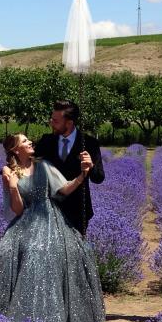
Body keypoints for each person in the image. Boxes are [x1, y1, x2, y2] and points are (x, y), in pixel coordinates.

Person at [0, 133, 106, 322]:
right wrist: (12, 187)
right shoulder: (9, 172)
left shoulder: (43, 166)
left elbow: (64, 190)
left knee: (42, 250)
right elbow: (18, 210)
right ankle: (12, 316)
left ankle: (48, 316)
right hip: (25, 220)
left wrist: (83, 175)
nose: (30, 142)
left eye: (28, 140)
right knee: (3, 252)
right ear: (15, 149)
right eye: (24, 141)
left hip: (50, 218)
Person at [34, 100, 105, 236]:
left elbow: (99, 178)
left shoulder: (89, 143)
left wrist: (91, 166)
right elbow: (30, 166)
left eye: (55, 121)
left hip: (78, 212)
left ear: (69, 123)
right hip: (49, 210)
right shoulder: (46, 141)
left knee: (73, 255)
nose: (51, 123)